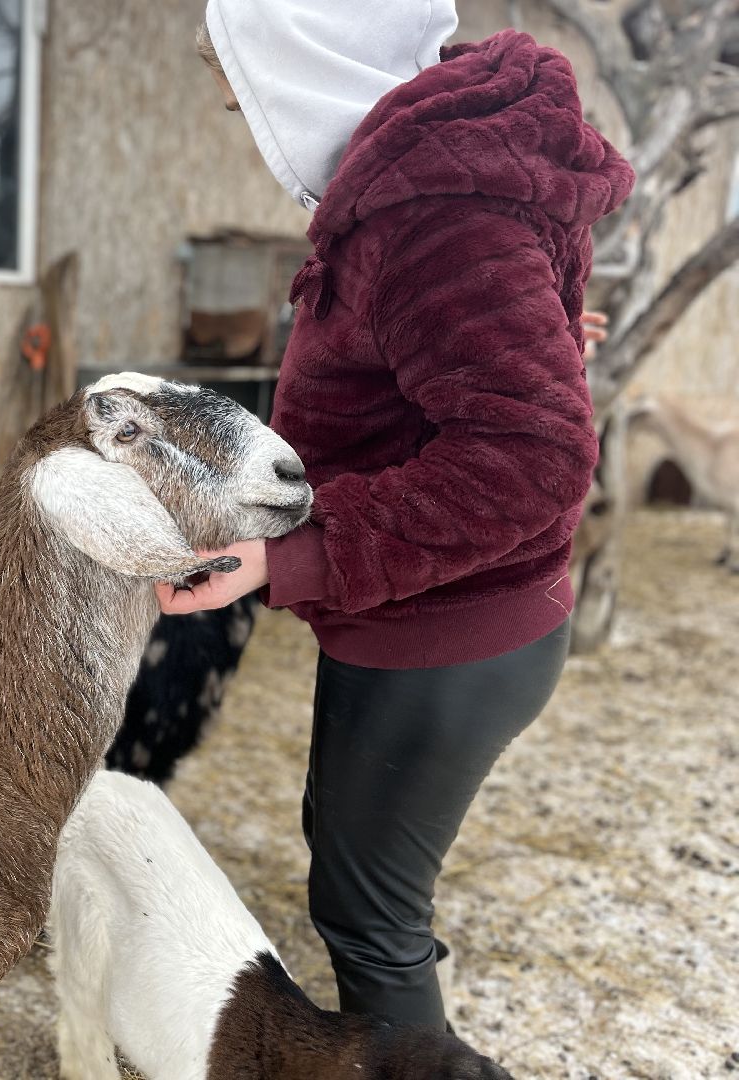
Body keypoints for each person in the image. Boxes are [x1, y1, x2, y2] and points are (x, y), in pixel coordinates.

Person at [164, 1, 634, 1033]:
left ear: (304, 61)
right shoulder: (442, 167)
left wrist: (297, 549)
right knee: (346, 848)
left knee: (365, 916)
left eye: (238, 82)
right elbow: (492, 367)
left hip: (451, 626)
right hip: (418, 608)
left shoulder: (430, 211)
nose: (232, 107)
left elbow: (531, 454)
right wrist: (544, 345)